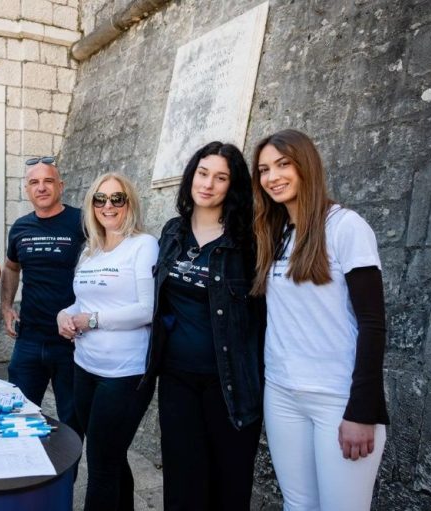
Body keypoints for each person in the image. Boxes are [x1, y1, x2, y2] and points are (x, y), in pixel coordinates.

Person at [252, 129, 388, 510]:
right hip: (281, 394)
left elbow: (373, 325)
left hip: (337, 398)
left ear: (306, 165)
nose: (272, 177)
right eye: (263, 170)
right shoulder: (273, 234)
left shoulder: (346, 227)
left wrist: (364, 410)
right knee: (298, 505)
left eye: (283, 164)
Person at [144, 142, 265, 510]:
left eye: (221, 177)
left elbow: (262, 317)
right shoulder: (173, 233)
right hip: (177, 379)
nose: (208, 184)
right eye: (202, 172)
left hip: (228, 384)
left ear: (233, 186)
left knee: (229, 485)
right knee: (182, 482)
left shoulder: (247, 241)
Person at [57, 173, 158, 511]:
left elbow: (147, 308)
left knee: (100, 464)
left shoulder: (143, 245)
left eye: (117, 198)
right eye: (100, 199)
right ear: (91, 205)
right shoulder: (90, 252)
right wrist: (64, 315)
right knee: (111, 457)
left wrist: (93, 320)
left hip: (124, 374)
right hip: (85, 366)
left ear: (130, 203)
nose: (108, 206)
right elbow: (81, 303)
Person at [0, 156, 85, 435]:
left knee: (72, 420)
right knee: (19, 413)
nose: (42, 187)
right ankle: (26, 475)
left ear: (60, 186)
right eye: (34, 182)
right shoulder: (21, 227)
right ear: (27, 190)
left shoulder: (81, 222)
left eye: (48, 181)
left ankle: (66, 478)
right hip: (30, 339)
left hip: (71, 339)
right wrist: (6, 306)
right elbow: (11, 266)